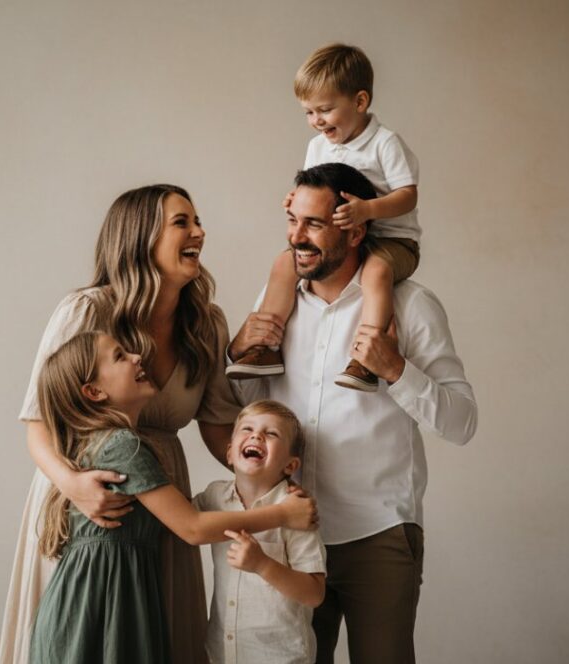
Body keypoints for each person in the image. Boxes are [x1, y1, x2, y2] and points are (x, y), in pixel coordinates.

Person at [228, 163, 478, 664]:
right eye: (293, 221)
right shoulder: (275, 303)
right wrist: (236, 353)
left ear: (356, 229)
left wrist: (396, 370)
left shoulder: (411, 306)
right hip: (289, 533)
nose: (297, 237)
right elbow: (250, 405)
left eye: (314, 224)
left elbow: (462, 422)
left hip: (378, 535)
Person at [0, 185, 244, 664]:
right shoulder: (88, 310)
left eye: (197, 221)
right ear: (140, 237)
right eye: (182, 222)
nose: (199, 232)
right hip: (85, 496)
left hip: (162, 499)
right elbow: (38, 423)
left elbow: (219, 428)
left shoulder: (206, 324)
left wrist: (268, 479)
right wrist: (74, 485)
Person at [28, 332, 318, 664]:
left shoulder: (104, 443)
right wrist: (282, 514)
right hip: (99, 604)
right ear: (94, 391)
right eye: (120, 356)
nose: (137, 356)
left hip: (99, 598)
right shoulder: (123, 446)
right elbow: (192, 527)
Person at [226, 43, 421, 393]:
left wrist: (368, 210)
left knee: (376, 270)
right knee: (284, 263)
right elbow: (313, 187)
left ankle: (367, 356)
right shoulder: (318, 146)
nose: (316, 120)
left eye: (326, 110)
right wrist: (296, 198)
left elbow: (408, 195)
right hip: (340, 243)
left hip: (391, 240)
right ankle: (265, 346)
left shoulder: (385, 143)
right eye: (308, 112)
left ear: (359, 102)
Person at [193, 400, 326, 664]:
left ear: (290, 465)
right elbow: (182, 522)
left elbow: (314, 594)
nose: (256, 436)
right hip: (222, 652)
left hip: (280, 656)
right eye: (247, 429)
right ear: (229, 453)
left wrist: (262, 564)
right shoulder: (214, 497)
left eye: (271, 433)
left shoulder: (296, 512)